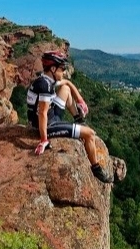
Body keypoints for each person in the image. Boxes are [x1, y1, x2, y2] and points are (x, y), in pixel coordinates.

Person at [27, 51, 114, 183]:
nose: (63, 72)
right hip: (47, 125)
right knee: (90, 134)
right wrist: (44, 140)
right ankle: (96, 170)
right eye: (62, 69)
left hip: (51, 116)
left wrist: (80, 101)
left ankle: (79, 120)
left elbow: (67, 83)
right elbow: (42, 113)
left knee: (66, 89)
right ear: (53, 68)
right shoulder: (45, 86)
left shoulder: (45, 79)